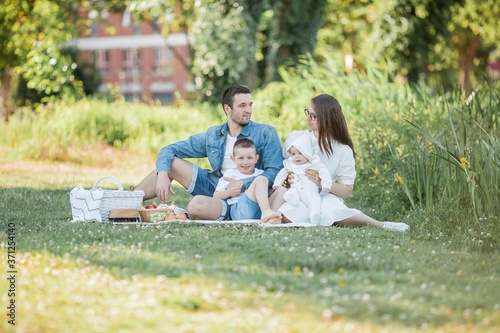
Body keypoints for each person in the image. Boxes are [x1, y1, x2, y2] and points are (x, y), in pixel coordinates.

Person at [134, 85, 283, 221]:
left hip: (248, 195)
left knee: (196, 207)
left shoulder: (266, 133)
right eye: (242, 105)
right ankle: (130, 202)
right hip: (216, 188)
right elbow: (169, 149)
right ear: (227, 109)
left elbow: (274, 171)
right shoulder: (214, 135)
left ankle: (222, 212)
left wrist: (243, 183)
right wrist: (163, 174)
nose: (248, 110)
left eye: (250, 105)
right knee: (171, 163)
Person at [269, 94, 410, 232]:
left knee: (331, 209)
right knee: (288, 214)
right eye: (308, 113)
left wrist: (321, 182)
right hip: (298, 193)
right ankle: (312, 217)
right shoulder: (296, 137)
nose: (307, 118)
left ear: (326, 118)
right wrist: (287, 179)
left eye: (313, 115)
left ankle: (381, 225)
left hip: (324, 195)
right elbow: (284, 168)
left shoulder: (342, 150)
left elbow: (347, 190)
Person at [214, 138, 282, 223]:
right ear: (233, 158)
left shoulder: (260, 173)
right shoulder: (230, 174)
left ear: (256, 158)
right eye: (241, 158)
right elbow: (215, 195)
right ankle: (267, 212)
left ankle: (270, 216)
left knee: (282, 189)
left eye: (250, 158)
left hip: (259, 210)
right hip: (240, 212)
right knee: (261, 179)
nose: (245, 162)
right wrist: (228, 193)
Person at [272, 134, 332, 225]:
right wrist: (277, 183)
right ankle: (292, 198)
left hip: (311, 191)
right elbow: (282, 173)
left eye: (300, 153)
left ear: (307, 153)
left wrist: (326, 184)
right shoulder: (291, 165)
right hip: (296, 189)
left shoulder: (314, 164)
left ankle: (315, 215)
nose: (296, 156)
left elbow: (325, 173)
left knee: (315, 201)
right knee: (292, 192)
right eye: (293, 154)